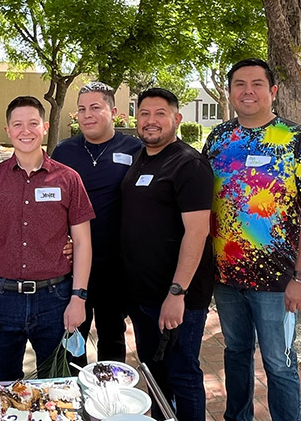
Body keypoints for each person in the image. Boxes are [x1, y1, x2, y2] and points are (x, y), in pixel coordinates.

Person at [202, 58, 301, 421]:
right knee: (236, 353)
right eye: (240, 84)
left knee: (279, 363)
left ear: (272, 91)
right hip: (225, 279)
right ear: (229, 92)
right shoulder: (217, 140)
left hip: (278, 282)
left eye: (257, 84)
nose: (248, 91)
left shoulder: (297, 140)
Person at [0, 95, 94, 381]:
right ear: (7, 130)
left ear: (45, 127)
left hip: (56, 300)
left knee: (60, 387)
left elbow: (83, 243)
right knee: (3, 389)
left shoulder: (68, 179)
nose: (26, 131)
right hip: (1, 300)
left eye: (33, 123)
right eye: (18, 125)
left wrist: (79, 298)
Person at [120, 88, 213, 421]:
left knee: (183, 374)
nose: (151, 121)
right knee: (153, 373)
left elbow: (197, 231)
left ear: (177, 119)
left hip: (176, 297)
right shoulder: (141, 158)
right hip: (141, 295)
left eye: (160, 114)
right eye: (144, 113)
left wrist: (177, 292)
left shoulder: (189, 164)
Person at [51, 81, 142, 365]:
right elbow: (51, 204)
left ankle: (110, 401)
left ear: (113, 111)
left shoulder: (134, 148)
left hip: (115, 265)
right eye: (81, 109)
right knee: (71, 335)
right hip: (72, 263)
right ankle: (74, 400)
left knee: (112, 336)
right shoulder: (63, 152)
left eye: (95, 107)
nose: (87, 114)